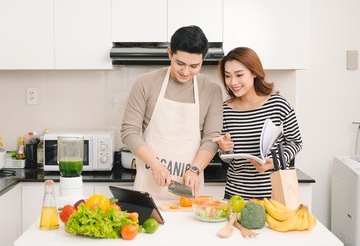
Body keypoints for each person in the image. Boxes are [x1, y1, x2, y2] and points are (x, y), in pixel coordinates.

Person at [120, 25, 223, 199]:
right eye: (180, 63)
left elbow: (212, 139)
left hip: (188, 189)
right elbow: (129, 132)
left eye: (194, 66)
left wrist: (195, 169)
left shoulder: (211, 90)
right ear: (170, 53)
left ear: (203, 59)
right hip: (148, 187)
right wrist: (156, 165)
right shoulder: (145, 83)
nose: (185, 71)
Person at [213, 47, 303, 200]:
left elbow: (296, 142)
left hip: (274, 194)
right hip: (235, 194)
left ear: (254, 72)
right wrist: (224, 148)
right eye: (227, 76)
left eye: (239, 75)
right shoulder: (225, 110)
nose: (232, 82)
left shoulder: (278, 104)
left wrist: (274, 162)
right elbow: (225, 156)